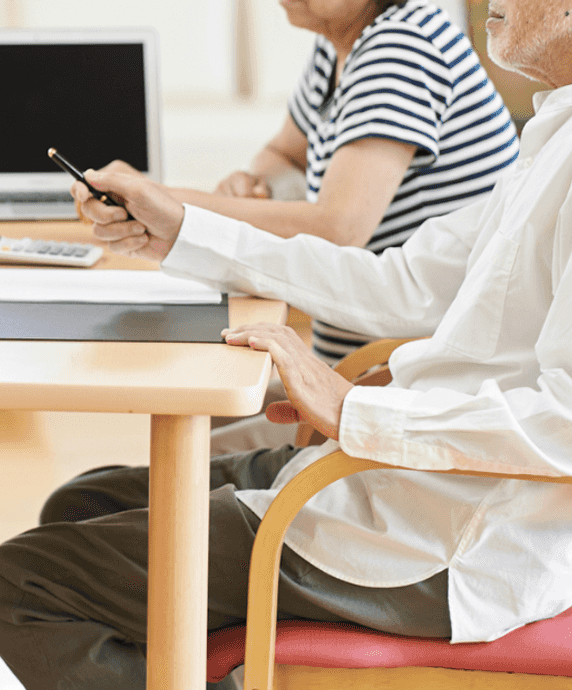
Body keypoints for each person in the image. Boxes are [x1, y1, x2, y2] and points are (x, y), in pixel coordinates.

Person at [0, 0, 572, 690]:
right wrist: (179, 232)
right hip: (397, 476)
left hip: (446, 540)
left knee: (24, 582)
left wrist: (354, 409)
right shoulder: (551, 133)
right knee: (83, 503)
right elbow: (402, 283)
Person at [107, 0, 520, 453]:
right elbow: (285, 153)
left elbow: (338, 228)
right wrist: (255, 181)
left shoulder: (403, 45)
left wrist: (167, 202)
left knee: (173, 455)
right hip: (353, 364)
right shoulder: (340, 47)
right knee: (189, 413)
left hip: (395, 382)